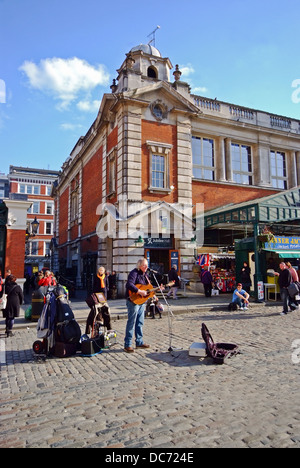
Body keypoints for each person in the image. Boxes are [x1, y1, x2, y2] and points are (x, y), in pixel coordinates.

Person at [124, 258, 153, 353]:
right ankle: (127, 344)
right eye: (144, 265)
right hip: (133, 301)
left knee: (140, 322)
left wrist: (155, 292)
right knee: (131, 322)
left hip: (141, 302)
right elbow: (129, 284)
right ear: (139, 265)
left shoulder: (145, 275)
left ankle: (139, 342)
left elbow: (147, 288)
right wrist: (139, 291)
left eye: (147, 265)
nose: (146, 267)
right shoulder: (134, 273)